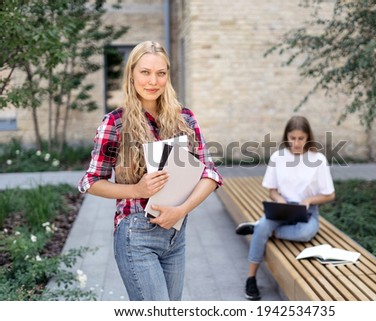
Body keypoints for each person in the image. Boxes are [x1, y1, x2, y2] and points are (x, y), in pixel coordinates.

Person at [78, 41, 223, 301]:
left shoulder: (185, 118)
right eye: (145, 72)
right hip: (136, 235)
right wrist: (137, 189)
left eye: (161, 73)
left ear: (168, 75)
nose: (153, 81)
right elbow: (91, 181)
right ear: (132, 74)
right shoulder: (115, 122)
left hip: (176, 233)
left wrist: (181, 210)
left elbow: (210, 174)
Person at [235, 115, 335, 300]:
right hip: (281, 209)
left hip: (306, 211)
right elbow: (271, 191)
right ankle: (251, 278)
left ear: (308, 138)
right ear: (286, 136)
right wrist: (279, 199)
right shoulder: (278, 157)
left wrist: (309, 200)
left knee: (305, 233)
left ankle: (259, 229)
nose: (296, 143)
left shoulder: (318, 159)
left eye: (301, 138)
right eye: (292, 138)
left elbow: (330, 194)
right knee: (264, 227)